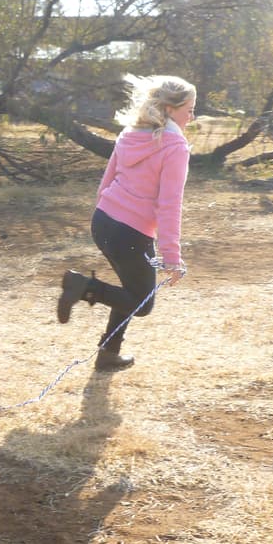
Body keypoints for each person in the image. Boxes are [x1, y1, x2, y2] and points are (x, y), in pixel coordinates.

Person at [56, 74, 195, 371]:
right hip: (129, 233)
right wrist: (172, 257)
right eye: (189, 109)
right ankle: (83, 287)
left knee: (128, 291)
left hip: (104, 221)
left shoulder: (130, 134)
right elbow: (169, 206)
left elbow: (105, 182)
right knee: (142, 303)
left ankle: (108, 354)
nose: (192, 116)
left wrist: (107, 216)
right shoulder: (175, 147)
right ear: (170, 109)